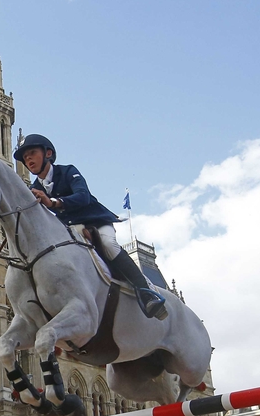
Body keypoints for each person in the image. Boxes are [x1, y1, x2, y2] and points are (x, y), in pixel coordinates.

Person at [13, 134, 167, 320]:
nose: (28, 159)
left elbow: (83, 196)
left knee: (109, 245)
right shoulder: (34, 188)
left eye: (32, 153)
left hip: (96, 222)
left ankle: (146, 292)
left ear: (48, 153)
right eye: (25, 157)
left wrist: (53, 202)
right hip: (71, 230)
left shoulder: (68, 171)